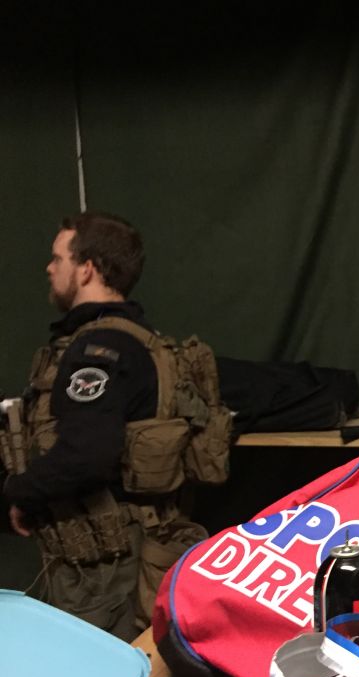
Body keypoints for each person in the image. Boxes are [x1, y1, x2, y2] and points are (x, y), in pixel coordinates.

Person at [2, 212, 211, 642]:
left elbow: (87, 454)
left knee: (93, 670)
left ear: (87, 269)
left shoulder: (97, 350)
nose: (49, 268)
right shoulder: (142, 340)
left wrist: (19, 492)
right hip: (141, 552)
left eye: (58, 258)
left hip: (106, 569)